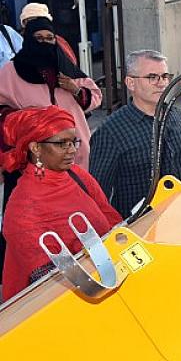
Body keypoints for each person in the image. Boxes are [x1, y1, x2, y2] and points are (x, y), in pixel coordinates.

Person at [0, 106, 121, 300]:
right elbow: (49, 281)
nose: (72, 150)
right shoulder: (21, 208)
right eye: (62, 144)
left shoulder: (77, 175)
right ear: (35, 148)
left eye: (74, 141)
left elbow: (113, 222)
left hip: (106, 283)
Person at [89, 50, 181, 218]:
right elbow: (97, 196)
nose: (161, 83)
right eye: (152, 77)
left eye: (165, 76)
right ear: (130, 83)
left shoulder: (176, 116)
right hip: (139, 231)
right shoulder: (111, 132)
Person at [0, 16, 101, 170]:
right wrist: (27, 118)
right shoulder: (10, 71)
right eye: (38, 38)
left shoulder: (64, 66)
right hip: (35, 153)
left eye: (49, 38)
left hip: (74, 149)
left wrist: (76, 90)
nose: (45, 43)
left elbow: (95, 96)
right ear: (28, 40)